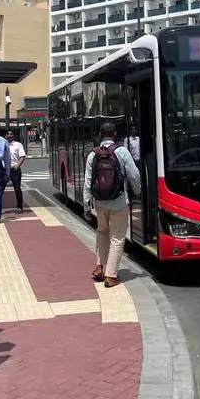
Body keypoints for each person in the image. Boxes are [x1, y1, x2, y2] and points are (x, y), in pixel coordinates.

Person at [84, 121, 141, 288]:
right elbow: (134, 175)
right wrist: (137, 191)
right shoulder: (121, 151)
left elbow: (88, 182)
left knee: (102, 232)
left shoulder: (92, 154)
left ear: (100, 135)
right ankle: (111, 275)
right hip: (119, 202)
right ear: (115, 134)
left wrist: (87, 206)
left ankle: (99, 267)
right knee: (117, 238)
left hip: (100, 202)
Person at [6, 130, 26, 213]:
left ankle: (19, 207)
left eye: (11, 134)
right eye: (8, 134)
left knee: (17, 188)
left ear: (13, 135)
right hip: (4, 170)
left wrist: (18, 165)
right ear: (5, 136)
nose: (10, 135)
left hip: (14, 169)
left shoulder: (18, 145)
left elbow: (22, 156)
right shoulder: (3, 144)